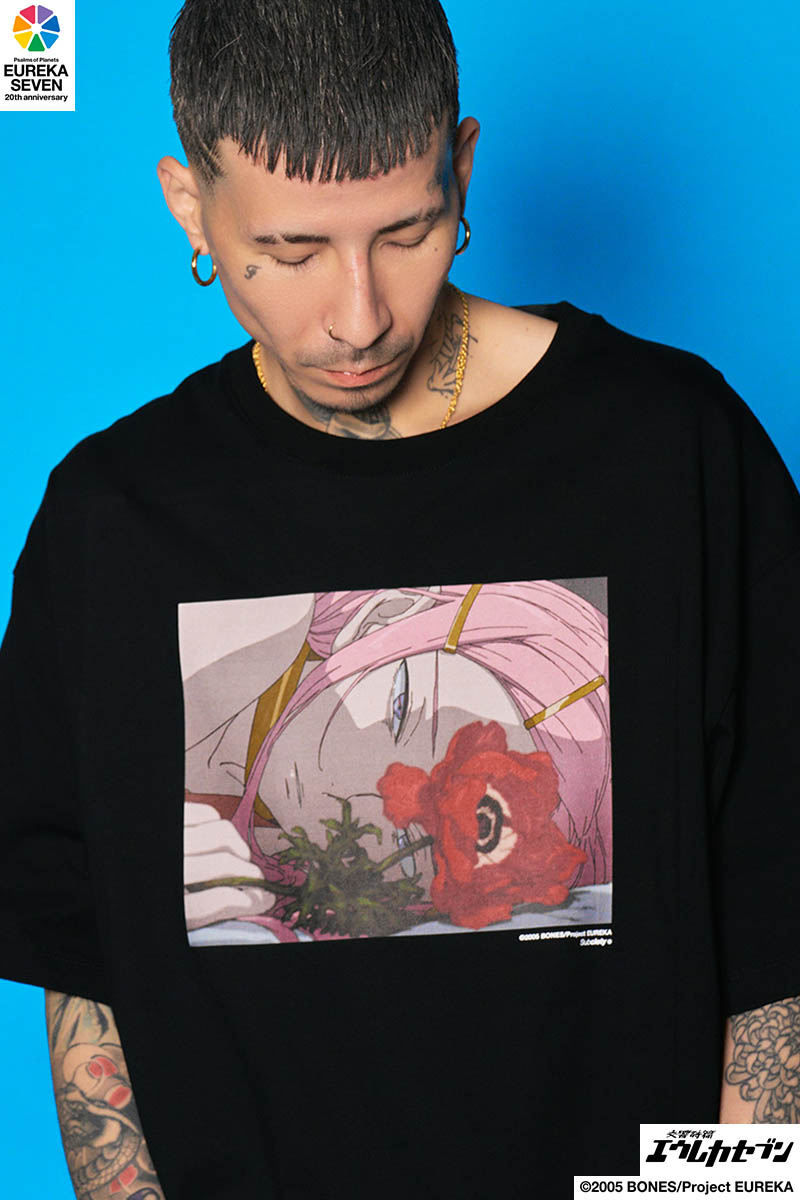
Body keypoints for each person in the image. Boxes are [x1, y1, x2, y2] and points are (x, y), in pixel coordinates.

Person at [1, 0, 799, 1195]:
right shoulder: (114, 519)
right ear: (190, 206)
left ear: (461, 169)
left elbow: (777, 906)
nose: (358, 318)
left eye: (408, 232)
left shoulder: (671, 451)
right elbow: (81, 955)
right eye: (290, 254)